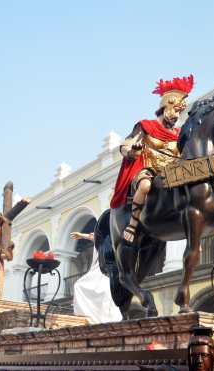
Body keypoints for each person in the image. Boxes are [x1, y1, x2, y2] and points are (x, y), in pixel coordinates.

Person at [110, 75, 194, 244]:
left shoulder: (179, 134)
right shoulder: (146, 126)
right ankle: (133, 225)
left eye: (180, 112)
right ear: (165, 106)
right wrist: (131, 152)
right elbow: (125, 145)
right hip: (149, 170)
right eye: (176, 110)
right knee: (146, 185)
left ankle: (193, 230)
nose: (177, 116)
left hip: (172, 173)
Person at [70, 231, 122, 323]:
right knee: (78, 285)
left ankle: (106, 318)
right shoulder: (103, 238)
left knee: (106, 291)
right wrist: (82, 235)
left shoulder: (116, 239)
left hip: (109, 270)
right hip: (97, 269)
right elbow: (94, 237)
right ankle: (84, 315)